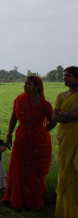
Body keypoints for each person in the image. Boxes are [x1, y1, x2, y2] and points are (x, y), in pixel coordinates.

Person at [2, 75, 55, 209]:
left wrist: (42, 130)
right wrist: (9, 135)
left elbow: (53, 120)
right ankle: (16, 200)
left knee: (34, 171)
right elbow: (13, 117)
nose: (25, 85)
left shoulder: (44, 104)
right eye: (25, 83)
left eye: (29, 84)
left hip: (38, 141)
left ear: (37, 87)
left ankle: (33, 201)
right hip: (22, 138)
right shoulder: (20, 100)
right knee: (20, 168)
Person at [52, 66, 78, 218]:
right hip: (64, 139)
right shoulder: (61, 96)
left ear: (77, 79)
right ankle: (65, 211)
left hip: (76, 137)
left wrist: (62, 114)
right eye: (64, 75)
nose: (65, 78)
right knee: (64, 169)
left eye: (68, 76)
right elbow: (53, 117)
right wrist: (68, 115)